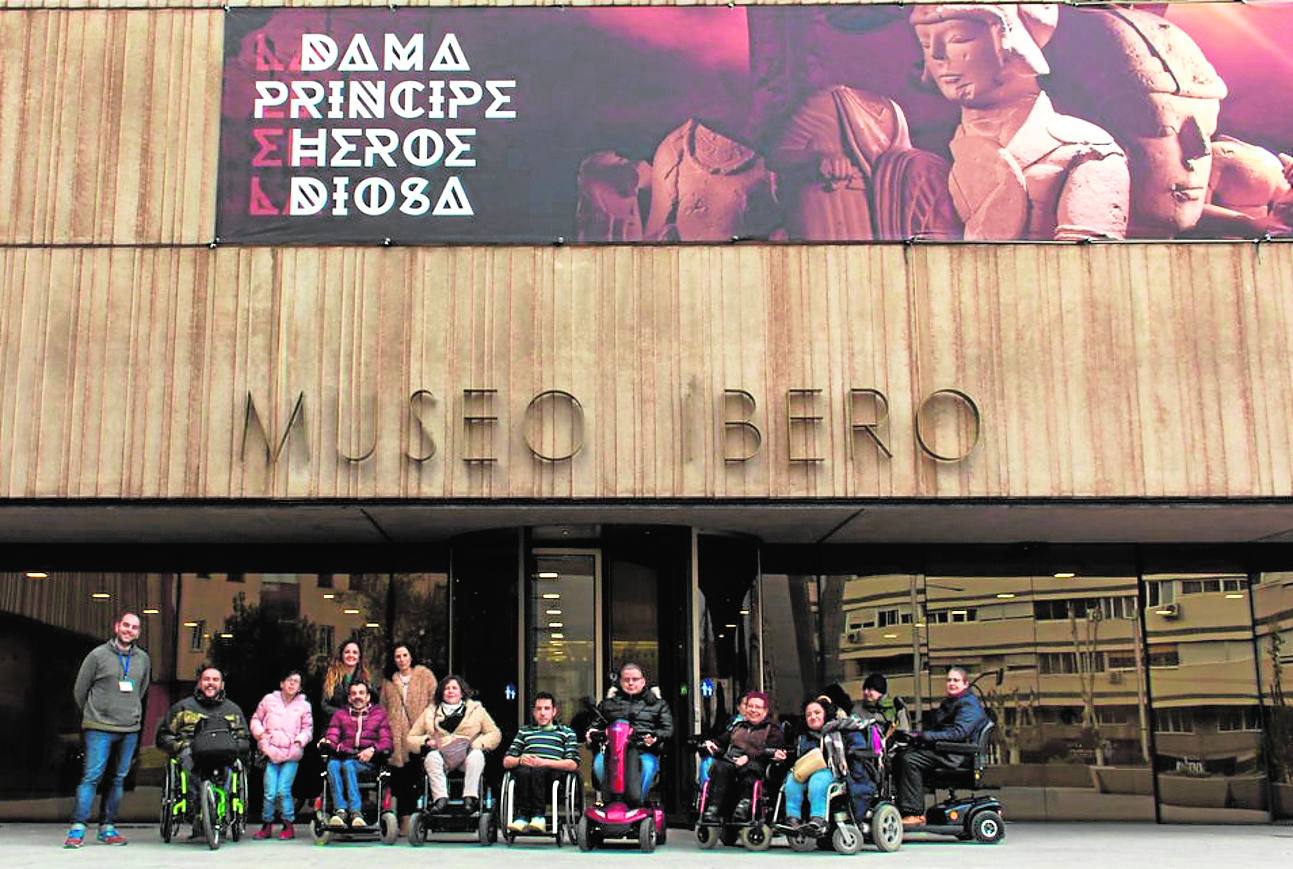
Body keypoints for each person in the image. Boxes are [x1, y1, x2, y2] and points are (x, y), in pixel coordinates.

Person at [910, 3, 1130, 240]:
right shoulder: (926, 161)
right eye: (925, 43)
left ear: (1010, 42)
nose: (937, 55)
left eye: (958, 38)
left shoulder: (1086, 150)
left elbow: (1088, 267)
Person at [65, 611, 152, 848]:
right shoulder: (97, 655)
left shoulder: (143, 659)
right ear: (117, 627)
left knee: (118, 778)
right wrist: (95, 713)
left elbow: (140, 690)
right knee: (92, 777)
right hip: (99, 727)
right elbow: (80, 690)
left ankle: (108, 828)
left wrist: (128, 711)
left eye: (134, 627)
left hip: (129, 728)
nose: (129, 630)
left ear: (138, 632)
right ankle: (77, 829)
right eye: (126, 625)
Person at [155, 666, 251, 838]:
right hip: (191, 751)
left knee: (233, 768)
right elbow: (164, 736)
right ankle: (195, 811)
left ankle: (223, 812)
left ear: (222, 685)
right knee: (187, 763)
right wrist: (181, 746)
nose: (211, 683)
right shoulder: (183, 707)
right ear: (199, 683)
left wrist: (235, 747)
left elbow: (244, 738)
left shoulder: (232, 710)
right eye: (207, 679)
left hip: (223, 753)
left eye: (215, 680)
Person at [892, 666, 988, 826]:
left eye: (956, 680)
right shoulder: (953, 702)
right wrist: (916, 736)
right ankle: (902, 807)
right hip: (945, 750)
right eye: (949, 680)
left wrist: (924, 736)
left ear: (966, 684)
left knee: (909, 760)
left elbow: (958, 733)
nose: (951, 683)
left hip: (955, 755)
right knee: (901, 755)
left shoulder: (968, 705)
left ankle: (914, 813)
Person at [406, 675, 500, 814]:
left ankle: (470, 798)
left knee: (477, 756)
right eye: (446, 688)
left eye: (454, 688)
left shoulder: (476, 709)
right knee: (431, 758)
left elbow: (494, 733)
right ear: (441, 692)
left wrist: (478, 744)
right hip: (442, 756)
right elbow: (411, 738)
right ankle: (440, 799)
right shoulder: (430, 712)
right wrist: (426, 741)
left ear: (462, 692)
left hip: (467, 755)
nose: (450, 691)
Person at [588, 662, 674, 803]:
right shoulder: (608, 704)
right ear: (621, 682)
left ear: (643, 681)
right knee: (598, 762)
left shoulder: (658, 705)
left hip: (643, 750)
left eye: (635, 679)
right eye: (626, 680)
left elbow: (668, 729)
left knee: (648, 766)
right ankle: (610, 801)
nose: (631, 683)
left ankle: (638, 802)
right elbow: (595, 726)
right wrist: (592, 733)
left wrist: (655, 737)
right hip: (613, 752)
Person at [700, 690, 785, 823]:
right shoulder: (738, 726)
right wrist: (711, 743)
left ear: (765, 710)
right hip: (732, 761)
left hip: (757, 763)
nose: (753, 710)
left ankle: (744, 805)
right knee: (719, 766)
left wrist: (748, 757)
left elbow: (773, 750)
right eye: (750, 706)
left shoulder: (773, 729)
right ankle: (713, 808)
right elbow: (721, 740)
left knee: (751, 768)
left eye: (758, 707)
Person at [502, 692, 580, 834]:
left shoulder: (566, 733)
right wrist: (519, 760)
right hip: (526, 774)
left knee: (538, 770)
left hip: (553, 776)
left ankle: (538, 816)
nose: (542, 713)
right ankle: (522, 816)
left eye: (546, 709)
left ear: (554, 711)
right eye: (538, 709)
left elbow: (573, 764)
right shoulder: (524, 732)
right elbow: (507, 761)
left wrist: (544, 762)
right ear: (533, 712)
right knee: (522, 771)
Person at [248, 669, 313, 839]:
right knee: (269, 791)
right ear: (282, 683)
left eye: (296, 681)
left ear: (299, 687)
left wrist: (300, 740)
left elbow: (308, 728)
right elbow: (256, 719)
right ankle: (267, 824)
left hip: (291, 753)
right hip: (270, 751)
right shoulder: (269, 700)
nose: (292, 684)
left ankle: (288, 824)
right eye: (289, 680)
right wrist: (261, 735)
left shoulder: (304, 705)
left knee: (283, 790)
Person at [380, 642, 436, 834]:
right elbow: (383, 708)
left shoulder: (425, 676)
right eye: (398, 656)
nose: (401, 660)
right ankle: (404, 820)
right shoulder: (389, 681)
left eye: (405, 655)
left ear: (411, 656)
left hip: (419, 734)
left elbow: (434, 703)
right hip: (396, 736)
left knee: (419, 777)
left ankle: (419, 818)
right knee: (400, 780)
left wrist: (428, 728)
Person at [319, 680, 393, 828]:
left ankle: (355, 812)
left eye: (361, 693)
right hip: (345, 756)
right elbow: (333, 736)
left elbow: (387, 742)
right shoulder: (340, 715)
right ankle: (340, 810)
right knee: (332, 765)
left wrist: (372, 749)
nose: (357, 697)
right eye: (353, 694)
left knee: (348, 765)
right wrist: (326, 742)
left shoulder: (379, 714)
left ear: (368, 697)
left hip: (368, 761)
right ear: (348, 698)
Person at [781, 697, 837, 836]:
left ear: (825, 714)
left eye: (817, 713)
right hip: (804, 770)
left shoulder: (836, 732)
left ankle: (818, 819)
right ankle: (792, 819)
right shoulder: (801, 736)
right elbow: (793, 754)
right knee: (792, 783)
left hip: (827, 770)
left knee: (817, 782)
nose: (813, 717)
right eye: (809, 714)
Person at [321, 639, 375, 721]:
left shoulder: (366, 678)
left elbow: (374, 703)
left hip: (361, 727)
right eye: (347, 652)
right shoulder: (330, 677)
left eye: (355, 652)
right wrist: (346, 715)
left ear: (359, 657)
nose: (351, 655)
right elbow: (324, 705)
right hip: (335, 726)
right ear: (341, 655)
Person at [853, 673, 910, 739]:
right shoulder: (858, 708)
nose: (865, 692)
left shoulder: (896, 706)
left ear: (880, 691)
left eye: (870, 689)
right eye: (864, 689)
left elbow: (905, 729)